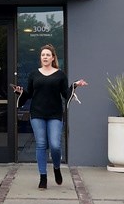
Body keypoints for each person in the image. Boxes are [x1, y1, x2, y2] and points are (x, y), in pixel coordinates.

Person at [12, 44, 87, 189]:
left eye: (48, 55)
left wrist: (75, 85)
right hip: (37, 113)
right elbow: (29, 94)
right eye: (43, 55)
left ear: (53, 58)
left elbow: (66, 94)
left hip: (54, 114)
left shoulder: (60, 74)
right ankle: (43, 177)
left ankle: (57, 168)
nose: (45, 57)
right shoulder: (34, 74)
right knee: (41, 144)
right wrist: (19, 91)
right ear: (40, 58)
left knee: (55, 144)